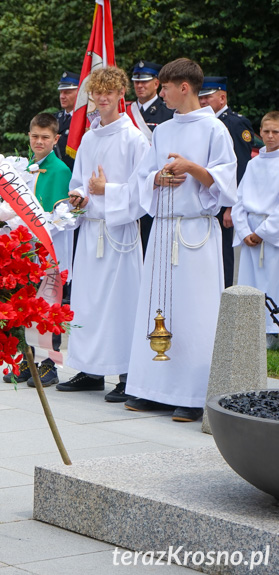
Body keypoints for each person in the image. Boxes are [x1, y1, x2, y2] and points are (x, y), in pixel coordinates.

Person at [124, 58, 237, 423]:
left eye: (167, 87)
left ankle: (192, 393)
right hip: (163, 229)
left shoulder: (214, 130)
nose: (162, 92)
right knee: (157, 305)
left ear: (184, 87)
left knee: (195, 312)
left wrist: (192, 168)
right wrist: (157, 178)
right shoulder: (163, 131)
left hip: (194, 232)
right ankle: (151, 388)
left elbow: (227, 185)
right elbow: (143, 177)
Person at [56, 67, 149, 402]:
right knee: (88, 303)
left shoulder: (134, 138)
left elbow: (142, 192)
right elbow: (78, 181)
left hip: (119, 231)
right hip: (92, 229)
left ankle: (127, 373)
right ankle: (91, 370)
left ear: (120, 94)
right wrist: (80, 195)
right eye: (98, 93)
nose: (103, 98)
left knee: (122, 302)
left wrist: (106, 189)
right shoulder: (89, 138)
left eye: (109, 92)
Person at [5, 112, 74, 388]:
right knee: (25, 304)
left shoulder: (60, 171)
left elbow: (63, 214)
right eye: (35, 136)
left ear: (56, 139)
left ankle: (49, 365)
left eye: (45, 137)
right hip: (26, 249)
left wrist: (37, 227)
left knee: (49, 306)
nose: (39, 142)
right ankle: (27, 359)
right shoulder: (26, 166)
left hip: (49, 249)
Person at [199, 76, 257, 288]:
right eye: (201, 98)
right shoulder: (206, 123)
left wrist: (231, 206)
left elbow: (240, 166)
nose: (203, 102)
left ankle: (225, 294)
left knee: (223, 251)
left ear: (222, 98)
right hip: (209, 196)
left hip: (225, 200)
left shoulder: (234, 123)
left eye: (208, 97)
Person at [231, 111, 279, 342]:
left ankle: (273, 332)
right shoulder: (253, 163)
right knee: (251, 283)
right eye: (266, 131)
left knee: (273, 280)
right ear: (260, 132)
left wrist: (262, 232)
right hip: (250, 230)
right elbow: (239, 200)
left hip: (270, 232)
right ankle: (251, 331)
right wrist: (244, 231)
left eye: (275, 132)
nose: (270, 136)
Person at [127, 60, 175, 257]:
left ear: (156, 84)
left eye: (145, 81)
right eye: (136, 82)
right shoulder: (125, 112)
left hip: (155, 185)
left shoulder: (169, 113)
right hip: (129, 182)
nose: (140, 85)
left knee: (151, 247)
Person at [53, 71, 79, 171]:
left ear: (79, 93)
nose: (62, 96)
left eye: (67, 92)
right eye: (61, 92)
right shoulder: (56, 118)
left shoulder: (85, 121)